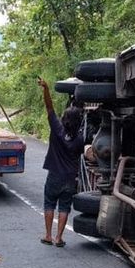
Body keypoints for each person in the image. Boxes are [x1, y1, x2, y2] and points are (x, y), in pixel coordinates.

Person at [38, 77, 84, 247]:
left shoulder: (57, 129)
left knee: (49, 203)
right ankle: (59, 238)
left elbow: (49, 107)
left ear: (64, 118)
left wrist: (46, 89)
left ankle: (48, 235)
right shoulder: (80, 139)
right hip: (70, 178)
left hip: (54, 175)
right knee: (64, 207)